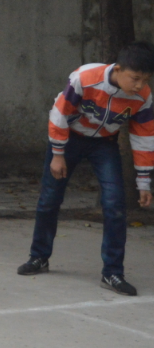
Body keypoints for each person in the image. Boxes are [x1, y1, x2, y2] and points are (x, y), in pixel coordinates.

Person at [16, 42, 154, 296]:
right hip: (69, 139)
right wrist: (58, 154)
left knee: (114, 206)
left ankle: (112, 272)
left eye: (145, 80)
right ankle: (39, 257)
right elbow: (60, 113)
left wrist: (144, 182)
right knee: (49, 199)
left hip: (105, 144)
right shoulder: (85, 78)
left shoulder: (143, 97)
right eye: (135, 78)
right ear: (119, 68)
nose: (139, 85)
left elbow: (144, 137)